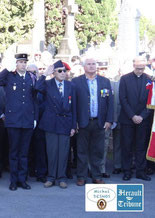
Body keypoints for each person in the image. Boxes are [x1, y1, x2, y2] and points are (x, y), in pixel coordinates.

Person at [0, 53, 38, 191]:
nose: (23, 64)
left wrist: (35, 118)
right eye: (20, 62)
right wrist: (7, 68)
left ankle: (22, 180)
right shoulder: (9, 76)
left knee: (24, 153)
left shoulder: (32, 77)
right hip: (13, 120)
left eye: (25, 62)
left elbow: (34, 99)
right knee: (14, 152)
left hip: (27, 120)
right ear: (16, 64)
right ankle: (13, 181)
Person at [71, 58, 113, 186]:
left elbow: (110, 102)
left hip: (99, 122)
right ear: (84, 67)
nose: (91, 66)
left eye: (93, 64)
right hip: (83, 122)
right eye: (88, 64)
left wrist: (109, 120)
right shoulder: (76, 82)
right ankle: (81, 176)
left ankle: (97, 176)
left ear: (97, 66)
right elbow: (73, 104)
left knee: (98, 151)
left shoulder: (105, 81)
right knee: (82, 151)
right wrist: (75, 122)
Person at [35, 61, 77, 189]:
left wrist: (73, 126)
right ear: (53, 73)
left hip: (65, 122)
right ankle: (51, 177)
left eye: (64, 71)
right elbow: (36, 87)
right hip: (51, 122)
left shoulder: (71, 85)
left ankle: (62, 177)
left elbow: (74, 107)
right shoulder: (48, 84)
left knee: (64, 152)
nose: (63, 73)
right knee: (52, 152)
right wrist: (44, 75)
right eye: (59, 71)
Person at [119, 56, 152, 181]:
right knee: (127, 146)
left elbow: (151, 100)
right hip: (128, 118)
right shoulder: (125, 79)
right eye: (138, 68)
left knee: (141, 146)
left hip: (143, 119)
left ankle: (141, 171)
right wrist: (132, 115)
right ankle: (127, 171)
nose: (140, 71)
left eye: (142, 68)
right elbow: (123, 99)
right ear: (134, 66)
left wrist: (142, 116)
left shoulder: (149, 80)